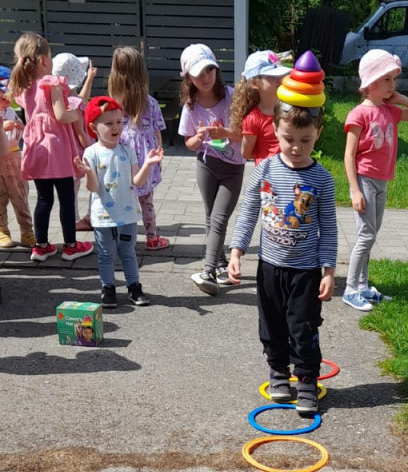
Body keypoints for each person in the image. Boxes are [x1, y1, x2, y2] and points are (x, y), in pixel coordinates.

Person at [228, 69, 337, 418]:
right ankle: (278, 371)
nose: (296, 147)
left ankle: (306, 380)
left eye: (306, 140)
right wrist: (236, 251)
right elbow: (248, 212)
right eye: (289, 138)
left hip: (305, 271)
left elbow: (329, 228)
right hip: (270, 268)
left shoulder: (322, 179)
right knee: (271, 325)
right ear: (275, 129)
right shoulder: (265, 170)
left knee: (303, 328)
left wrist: (328, 270)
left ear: (318, 133)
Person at [343, 49, 408, 312]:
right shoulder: (359, 114)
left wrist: (400, 98)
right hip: (365, 180)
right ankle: (350, 288)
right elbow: (349, 155)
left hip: (382, 181)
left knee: (371, 234)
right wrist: (355, 190)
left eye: (394, 79)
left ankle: (362, 285)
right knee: (366, 234)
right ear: (371, 82)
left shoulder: (390, 111)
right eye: (387, 79)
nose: (393, 85)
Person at [8, 32, 93, 263]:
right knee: (66, 197)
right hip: (55, 149)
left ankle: (41, 246)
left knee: (44, 199)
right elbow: (61, 115)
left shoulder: (24, 87)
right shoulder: (52, 83)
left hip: (35, 148)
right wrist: (76, 113)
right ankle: (71, 246)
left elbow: (32, 118)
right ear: (45, 60)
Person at [75, 95, 163, 308]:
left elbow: (137, 181)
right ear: (93, 127)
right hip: (103, 217)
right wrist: (89, 173)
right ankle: (108, 288)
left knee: (128, 252)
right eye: (109, 123)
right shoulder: (91, 153)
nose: (116, 127)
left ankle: (134, 286)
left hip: (128, 215)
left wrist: (148, 164)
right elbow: (92, 188)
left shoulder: (127, 150)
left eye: (119, 122)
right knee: (106, 255)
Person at [178, 43, 243, 295]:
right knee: (211, 216)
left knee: (219, 218)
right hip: (206, 165)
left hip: (232, 168)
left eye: (209, 70)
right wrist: (198, 138)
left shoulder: (232, 96)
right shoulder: (191, 105)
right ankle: (221, 263)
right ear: (188, 78)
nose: (205, 77)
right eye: (198, 73)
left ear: (217, 70)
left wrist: (224, 132)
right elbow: (189, 143)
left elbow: (244, 133)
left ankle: (209, 271)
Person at [108, 46, 169, 251]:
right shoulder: (150, 103)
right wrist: (158, 157)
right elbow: (157, 132)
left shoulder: (112, 104)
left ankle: (119, 238)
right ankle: (152, 237)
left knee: (120, 198)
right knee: (146, 200)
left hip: (120, 153)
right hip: (145, 157)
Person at [52, 51, 97, 231]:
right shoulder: (73, 103)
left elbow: (81, 99)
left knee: (72, 189)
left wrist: (90, 78)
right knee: (87, 184)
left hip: (66, 152)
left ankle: (77, 218)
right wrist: (93, 148)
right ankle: (82, 219)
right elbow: (80, 133)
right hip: (78, 152)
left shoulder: (61, 100)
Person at [229, 50, 292, 164]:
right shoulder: (253, 119)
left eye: (281, 75)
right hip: (268, 173)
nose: (279, 79)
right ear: (255, 83)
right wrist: (265, 155)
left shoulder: (291, 110)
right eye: (272, 76)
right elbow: (246, 153)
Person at [0, 64, 34, 249]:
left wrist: (21, 128)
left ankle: (27, 231)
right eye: (2, 98)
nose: (7, 102)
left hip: (13, 158)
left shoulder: (11, 112)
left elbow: (21, 130)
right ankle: (2, 231)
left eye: (9, 98)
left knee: (20, 195)